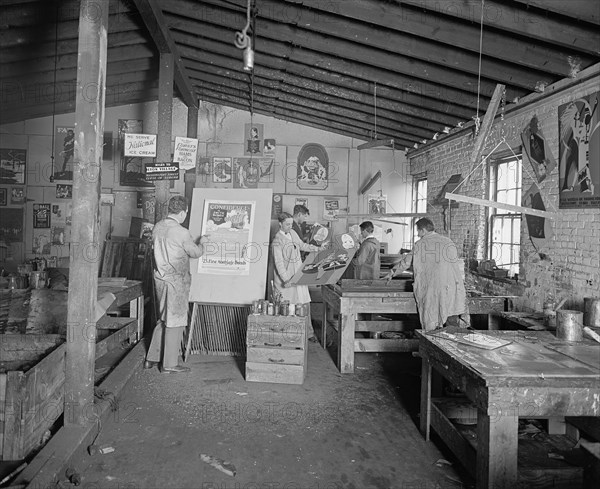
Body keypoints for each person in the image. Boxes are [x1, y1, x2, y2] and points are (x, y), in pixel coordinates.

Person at [145, 195, 209, 373]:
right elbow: (195, 253)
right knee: (176, 321)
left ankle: (151, 358)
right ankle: (169, 364)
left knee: (164, 318)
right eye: (185, 213)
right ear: (182, 212)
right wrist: (202, 243)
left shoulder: (158, 226)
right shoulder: (181, 232)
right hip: (176, 282)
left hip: (160, 278)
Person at [384, 218, 466, 331]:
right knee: (451, 317)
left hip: (430, 289)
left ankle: (432, 345)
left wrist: (392, 273)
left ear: (423, 230)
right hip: (450, 288)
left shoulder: (420, 244)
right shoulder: (448, 241)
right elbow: (455, 265)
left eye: (418, 231)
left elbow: (406, 263)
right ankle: (453, 344)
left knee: (431, 320)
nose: (418, 234)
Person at [271, 212, 325, 342]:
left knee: (305, 304)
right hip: (287, 279)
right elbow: (279, 263)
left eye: (291, 224)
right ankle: (289, 335)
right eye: (287, 224)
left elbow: (302, 245)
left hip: (299, 275)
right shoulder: (277, 241)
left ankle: (309, 334)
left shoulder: (293, 233)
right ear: (280, 224)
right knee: (288, 308)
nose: (290, 226)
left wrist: (317, 249)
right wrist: (286, 279)